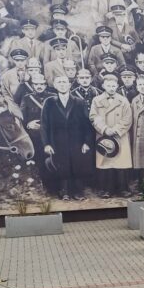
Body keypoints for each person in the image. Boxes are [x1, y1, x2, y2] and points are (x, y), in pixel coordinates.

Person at [41, 72, 94, 200]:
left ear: (70, 85)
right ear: (54, 85)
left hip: (76, 141)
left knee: (77, 164)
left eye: (65, 82)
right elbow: (44, 125)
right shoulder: (49, 102)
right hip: (57, 141)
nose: (62, 85)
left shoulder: (79, 102)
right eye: (59, 82)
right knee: (61, 164)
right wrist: (46, 144)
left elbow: (86, 124)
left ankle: (78, 191)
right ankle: (64, 191)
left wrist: (86, 142)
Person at [89, 72, 133, 196]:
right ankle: (106, 189)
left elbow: (128, 118)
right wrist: (104, 129)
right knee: (106, 161)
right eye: (108, 86)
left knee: (121, 162)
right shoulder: (96, 100)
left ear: (117, 86)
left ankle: (123, 189)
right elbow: (93, 117)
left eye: (113, 86)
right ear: (103, 86)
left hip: (120, 135)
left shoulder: (123, 100)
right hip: (103, 136)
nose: (111, 88)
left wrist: (116, 130)